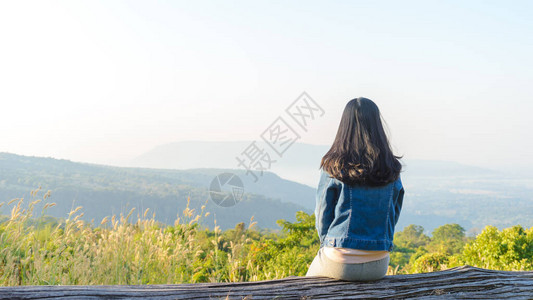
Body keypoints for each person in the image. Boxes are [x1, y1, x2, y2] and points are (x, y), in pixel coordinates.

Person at [306, 97, 404, 281]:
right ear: (377, 125)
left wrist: (328, 243)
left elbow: (322, 214)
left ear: (345, 125)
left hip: (339, 260)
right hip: (379, 263)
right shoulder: (391, 167)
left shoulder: (333, 165)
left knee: (303, 287)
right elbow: (394, 212)